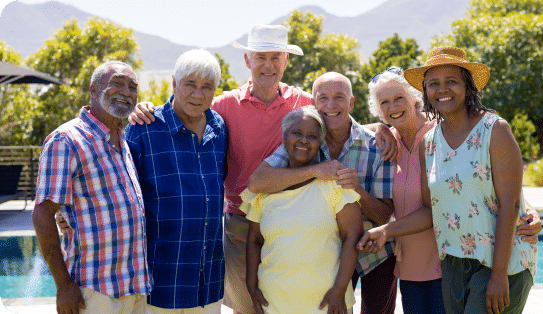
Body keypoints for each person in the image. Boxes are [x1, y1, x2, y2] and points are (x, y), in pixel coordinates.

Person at [128, 25, 397, 314]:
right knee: (250, 308)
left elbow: (336, 119)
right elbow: (187, 106)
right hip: (242, 226)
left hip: (302, 222)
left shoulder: (304, 102)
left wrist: (381, 127)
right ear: (247, 60)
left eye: (275, 57)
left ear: (286, 61)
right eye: (260, 57)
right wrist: (145, 110)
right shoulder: (223, 107)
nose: (268, 65)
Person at [357, 47, 538, 314]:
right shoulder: (429, 144)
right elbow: (432, 209)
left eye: (451, 81)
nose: (442, 89)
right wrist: (384, 231)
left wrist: (499, 274)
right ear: (426, 91)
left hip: (501, 262)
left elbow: (510, 201)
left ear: (468, 85)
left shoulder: (494, 129)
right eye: (433, 84)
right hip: (453, 261)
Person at [249, 72, 398, 314]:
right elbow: (257, 182)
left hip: (376, 254)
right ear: (313, 103)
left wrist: (358, 189)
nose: (330, 105)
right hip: (329, 256)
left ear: (350, 103)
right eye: (323, 98)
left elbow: (383, 216)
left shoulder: (378, 146)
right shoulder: (305, 140)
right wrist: (317, 170)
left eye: (339, 97)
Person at [32, 61, 151, 313]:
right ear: (94, 90)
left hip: (134, 288)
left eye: (132, 87)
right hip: (94, 292)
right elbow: (42, 213)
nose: (126, 91)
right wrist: (63, 285)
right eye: (117, 83)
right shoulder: (66, 140)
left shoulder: (122, 139)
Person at [124, 49, 227, 313]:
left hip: (209, 280)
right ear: (174, 83)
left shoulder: (219, 128)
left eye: (207, 87)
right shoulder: (144, 127)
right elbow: (119, 189)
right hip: (161, 280)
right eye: (190, 85)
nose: (198, 94)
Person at [243, 106, 363, 314]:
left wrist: (339, 289)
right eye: (297, 133)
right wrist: (251, 284)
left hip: (328, 302)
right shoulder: (264, 189)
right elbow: (254, 240)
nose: (304, 140)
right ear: (284, 137)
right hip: (274, 301)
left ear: (320, 143)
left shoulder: (334, 183)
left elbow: (352, 236)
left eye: (312, 136)